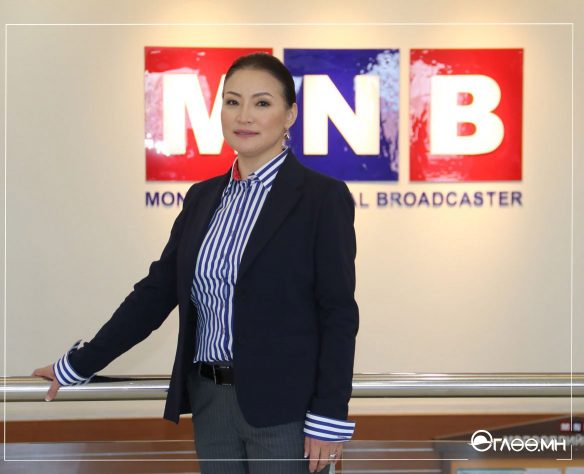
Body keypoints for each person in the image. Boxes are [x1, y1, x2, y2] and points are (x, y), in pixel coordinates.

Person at [33, 52, 359, 474]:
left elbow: (338, 313)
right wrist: (79, 364)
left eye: (262, 103)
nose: (244, 116)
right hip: (211, 402)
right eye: (232, 101)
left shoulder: (321, 198)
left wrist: (330, 415)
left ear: (290, 115)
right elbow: (156, 293)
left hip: (287, 410)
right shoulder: (202, 197)